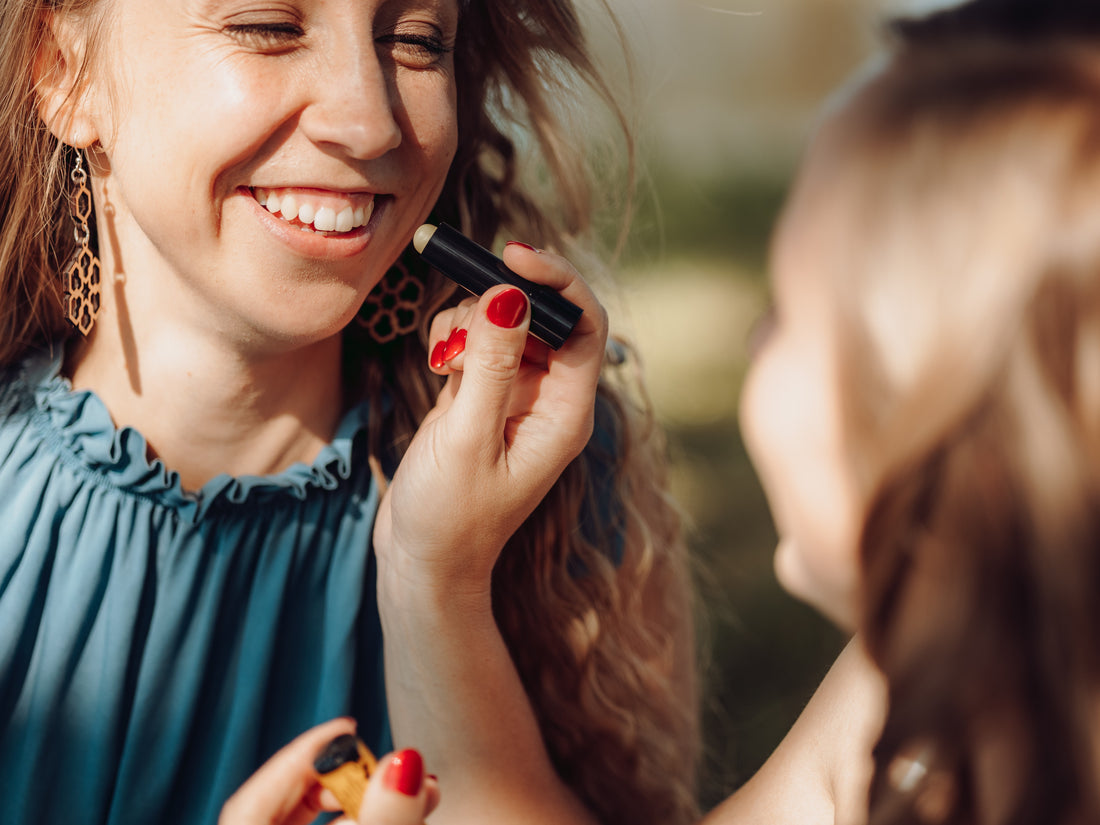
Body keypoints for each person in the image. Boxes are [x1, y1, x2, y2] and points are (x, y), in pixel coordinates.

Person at [0, 1, 698, 824]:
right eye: (270, 26)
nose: (369, 123)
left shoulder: (564, 486)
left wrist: (440, 581)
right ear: (62, 67)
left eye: (415, 41)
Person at [708, 7, 1100, 824]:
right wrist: (441, 577)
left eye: (782, 309)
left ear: (925, 423)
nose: (753, 340)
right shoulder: (947, 666)